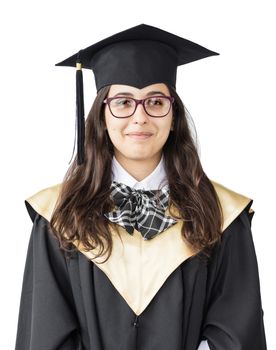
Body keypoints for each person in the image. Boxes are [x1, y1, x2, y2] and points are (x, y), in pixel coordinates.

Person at [15, 24, 267, 350]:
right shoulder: (58, 215)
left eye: (155, 101)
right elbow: (47, 332)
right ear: (101, 115)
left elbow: (235, 333)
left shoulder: (221, 214)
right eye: (123, 102)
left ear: (173, 114)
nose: (139, 117)